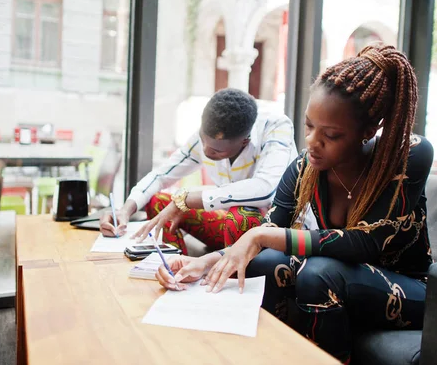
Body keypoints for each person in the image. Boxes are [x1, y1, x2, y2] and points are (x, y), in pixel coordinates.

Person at [155, 45, 433, 363]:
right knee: (263, 263)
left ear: (367, 132)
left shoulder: (408, 153)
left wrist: (261, 237)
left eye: (331, 134)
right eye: (309, 126)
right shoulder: (305, 167)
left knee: (319, 272)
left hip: (411, 287)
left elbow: (364, 243)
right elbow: (269, 229)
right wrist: (203, 265)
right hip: (343, 279)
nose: (312, 143)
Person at [100, 88, 297, 255]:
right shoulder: (207, 137)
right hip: (225, 230)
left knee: (241, 215)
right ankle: (176, 267)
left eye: (217, 150)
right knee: (159, 202)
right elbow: (161, 176)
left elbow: (266, 189)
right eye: (203, 140)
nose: (205, 150)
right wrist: (125, 210)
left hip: (269, 236)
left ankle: (227, 280)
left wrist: (188, 199)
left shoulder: (275, 127)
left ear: (244, 141)